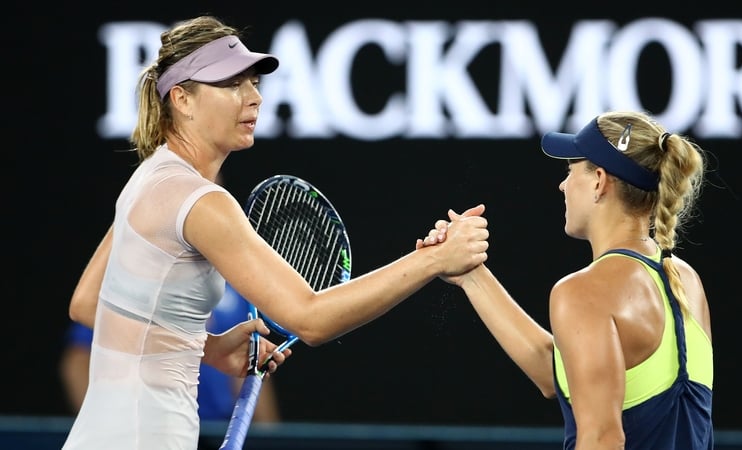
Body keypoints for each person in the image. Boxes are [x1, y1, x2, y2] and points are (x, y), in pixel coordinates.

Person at [64, 15, 489, 450]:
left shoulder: (150, 176)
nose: (253, 98)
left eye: (254, 83)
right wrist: (433, 259)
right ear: (182, 99)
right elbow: (312, 318)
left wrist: (204, 348)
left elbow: (86, 304)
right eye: (231, 85)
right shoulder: (201, 202)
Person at [419, 111, 712, 449]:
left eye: (570, 170)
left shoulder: (584, 291)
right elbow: (558, 373)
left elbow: (602, 439)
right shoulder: (686, 280)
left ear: (599, 180)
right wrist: (471, 274)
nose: (562, 184)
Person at [59, 282, 282, 420]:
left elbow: (246, 368)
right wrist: (104, 426)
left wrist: (266, 436)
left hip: (214, 430)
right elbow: (78, 361)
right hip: (147, 429)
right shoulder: (136, 284)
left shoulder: (234, 291)